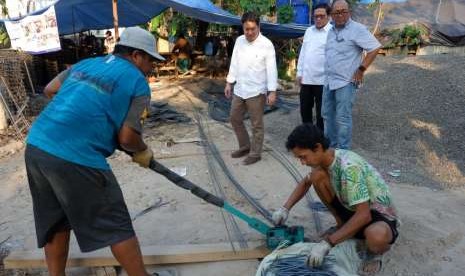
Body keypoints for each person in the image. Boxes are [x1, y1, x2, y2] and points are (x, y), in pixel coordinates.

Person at [24, 27, 174, 276]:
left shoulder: (88, 63)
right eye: (150, 61)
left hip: (38, 146)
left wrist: (78, 116)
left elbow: (50, 89)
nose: (152, 68)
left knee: (56, 222)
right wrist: (142, 151)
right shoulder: (138, 83)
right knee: (117, 224)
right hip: (78, 157)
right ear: (136, 55)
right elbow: (128, 138)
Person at [272, 124, 399, 274]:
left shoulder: (349, 168)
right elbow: (305, 183)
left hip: (376, 215)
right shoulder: (325, 161)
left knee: (376, 237)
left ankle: (375, 254)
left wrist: (328, 243)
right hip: (353, 208)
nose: (302, 162)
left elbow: (364, 215)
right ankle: (342, 226)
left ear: (317, 147)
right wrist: (285, 209)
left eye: (303, 156)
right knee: (316, 177)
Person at [323, 0, 381, 149]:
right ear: (332, 14)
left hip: (346, 82)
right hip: (329, 81)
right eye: (337, 12)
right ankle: (331, 147)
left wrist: (361, 69)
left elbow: (374, 48)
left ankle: (343, 152)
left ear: (349, 12)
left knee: (343, 118)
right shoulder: (330, 30)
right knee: (327, 115)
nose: (341, 15)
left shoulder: (357, 29)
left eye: (344, 11)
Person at [224, 12, 278, 165]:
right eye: (246, 29)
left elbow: (271, 69)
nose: (249, 32)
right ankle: (245, 146)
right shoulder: (240, 41)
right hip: (240, 89)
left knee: (256, 124)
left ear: (259, 27)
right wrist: (229, 82)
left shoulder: (266, 44)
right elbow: (234, 62)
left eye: (252, 29)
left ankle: (255, 153)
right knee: (234, 118)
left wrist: (272, 91)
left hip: (256, 91)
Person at [296, 3, 331, 132]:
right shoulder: (309, 31)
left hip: (323, 81)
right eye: (316, 16)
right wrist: (299, 73)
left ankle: (320, 140)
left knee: (322, 113)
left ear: (328, 17)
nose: (318, 19)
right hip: (306, 79)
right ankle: (308, 136)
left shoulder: (332, 32)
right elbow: (303, 53)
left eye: (321, 16)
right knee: (305, 110)